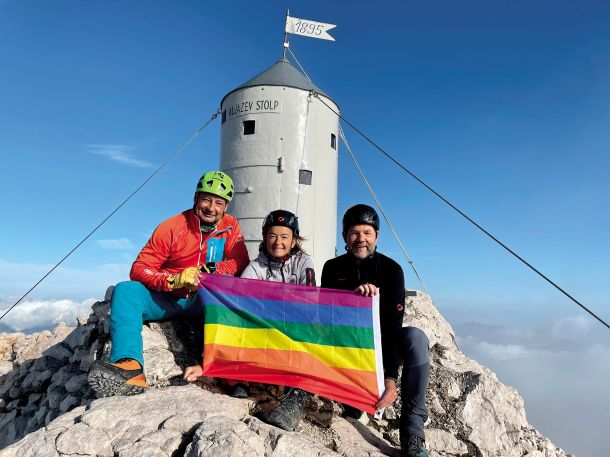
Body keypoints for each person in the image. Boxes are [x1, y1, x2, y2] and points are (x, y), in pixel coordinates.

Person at [89, 171, 250, 397]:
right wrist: (171, 281)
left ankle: (227, 372)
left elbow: (240, 261)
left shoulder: (230, 227)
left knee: (231, 293)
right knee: (126, 290)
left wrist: (213, 269)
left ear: (226, 207)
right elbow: (139, 268)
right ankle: (130, 367)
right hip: (167, 297)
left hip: (202, 301)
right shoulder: (173, 227)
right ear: (195, 198)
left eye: (218, 202)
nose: (211, 207)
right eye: (206, 199)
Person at [183, 209, 316, 431]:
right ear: (264, 237)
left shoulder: (304, 262)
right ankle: (237, 378)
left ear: (294, 240)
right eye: (272, 236)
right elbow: (241, 301)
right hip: (263, 328)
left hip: (293, 327)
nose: (278, 242)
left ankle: (294, 401)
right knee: (235, 320)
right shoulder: (256, 266)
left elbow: (310, 298)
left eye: (285, 237)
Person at [321, 204, 430, 457]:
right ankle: (352, 399)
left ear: (377, 236)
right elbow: (327, 319)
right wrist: (354, 299)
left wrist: (389, 380)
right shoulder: (332, 268)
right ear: (345, 236)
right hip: (346, 347)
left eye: (367, 233)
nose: (361, 239)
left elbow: (393, 328)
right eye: (354, 232)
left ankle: (413, 432)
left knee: (415, 337)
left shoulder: (392, 270)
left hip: (382, 344)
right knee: (352, 411)